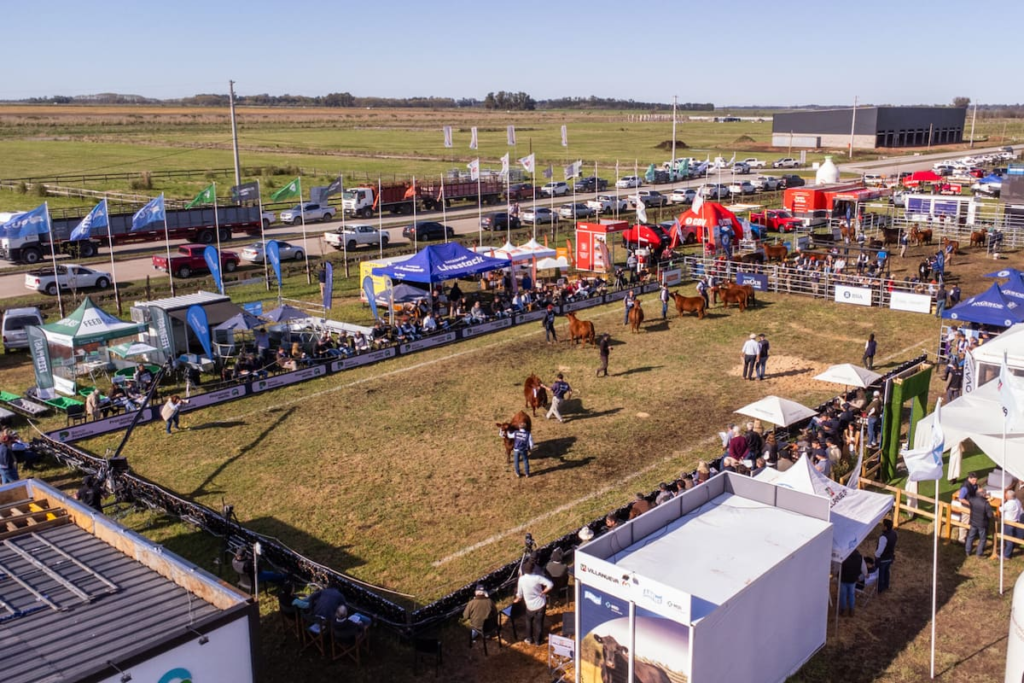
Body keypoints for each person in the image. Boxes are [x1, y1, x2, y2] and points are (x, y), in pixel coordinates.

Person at [513, 558, 553, 646]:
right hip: (541, 604)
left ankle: (529, 638)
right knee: (539, 623)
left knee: (528, 621)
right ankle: (538, 641)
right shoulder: (537, 578)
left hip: (530, 606)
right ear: (532, 569)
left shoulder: (522, 579)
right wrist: (544, 592)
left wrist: (516, 600)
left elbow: (519, 594)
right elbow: (550, 584)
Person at [965, 488, 994, 558]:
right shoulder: (985, 504)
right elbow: (990, 515)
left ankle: (967, 551)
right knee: (983, 539)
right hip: (982, 524)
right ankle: (979, 553)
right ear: (983, 494)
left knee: (970, 536)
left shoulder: (972, 500)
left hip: (973, 521)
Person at [839, 547, 866, 617]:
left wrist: (836, 574)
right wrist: (866, 574)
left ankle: (843, 609)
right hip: (853, 580)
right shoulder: (860, 557)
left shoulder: (843, 556)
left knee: (843, 595)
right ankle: (851, 610)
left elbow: (838, 568)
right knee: (851, 594)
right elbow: (864, 569)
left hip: (843, 579)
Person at [875, 518, 897, 593]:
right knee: (887, 571)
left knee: (880, 573)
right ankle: (886, 585)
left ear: (885, 527)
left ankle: (880, 588)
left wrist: (876, 555)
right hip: (890, 557)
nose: (882, 526)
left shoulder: (883, 537)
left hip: (883, 558)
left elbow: (880, 550)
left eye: (883, 525)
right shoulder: (894, 533)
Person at [1002, 489, 1024, 559]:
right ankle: (1008, 552)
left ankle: (1007, 555)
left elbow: (1001, 509)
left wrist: (1003, 502)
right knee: (1012, 538)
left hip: (1009, 523)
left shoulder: (1009, 504)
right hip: (1015, 521)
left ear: (1008, 497)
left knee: (1009, 539)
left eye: (1006, 495)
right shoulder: (1017, 501)